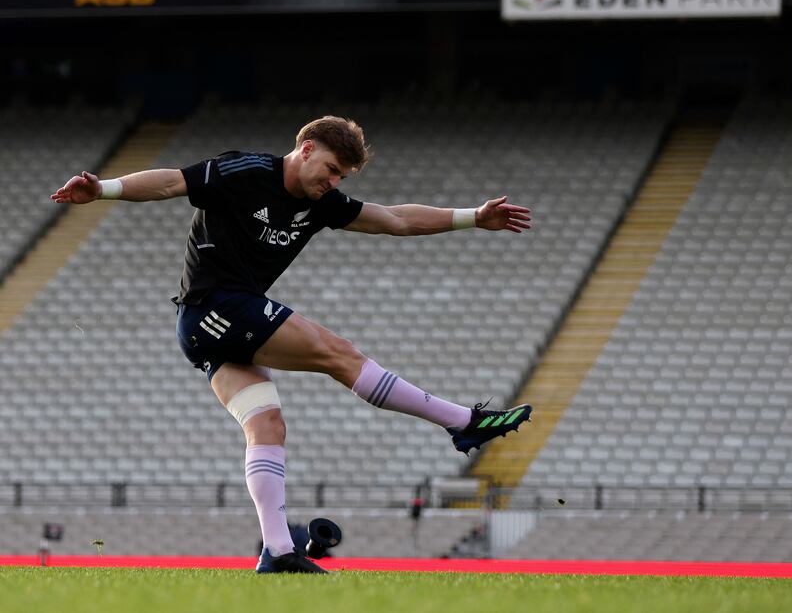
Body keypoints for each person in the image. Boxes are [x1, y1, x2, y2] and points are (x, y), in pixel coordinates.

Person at [51, 115, 534, 573]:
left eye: (342, 176)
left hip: (214, 330)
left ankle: (277, 551)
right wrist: (104, 190)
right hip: (215, 307)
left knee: (269, 427)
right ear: (305, 150)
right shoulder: (246, 170)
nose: (334, 183)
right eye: (330, 170)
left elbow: (394, 219)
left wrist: (474, 216)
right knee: (339, 354)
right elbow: (173, 182)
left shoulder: (320, 201)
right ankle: (463, 422)